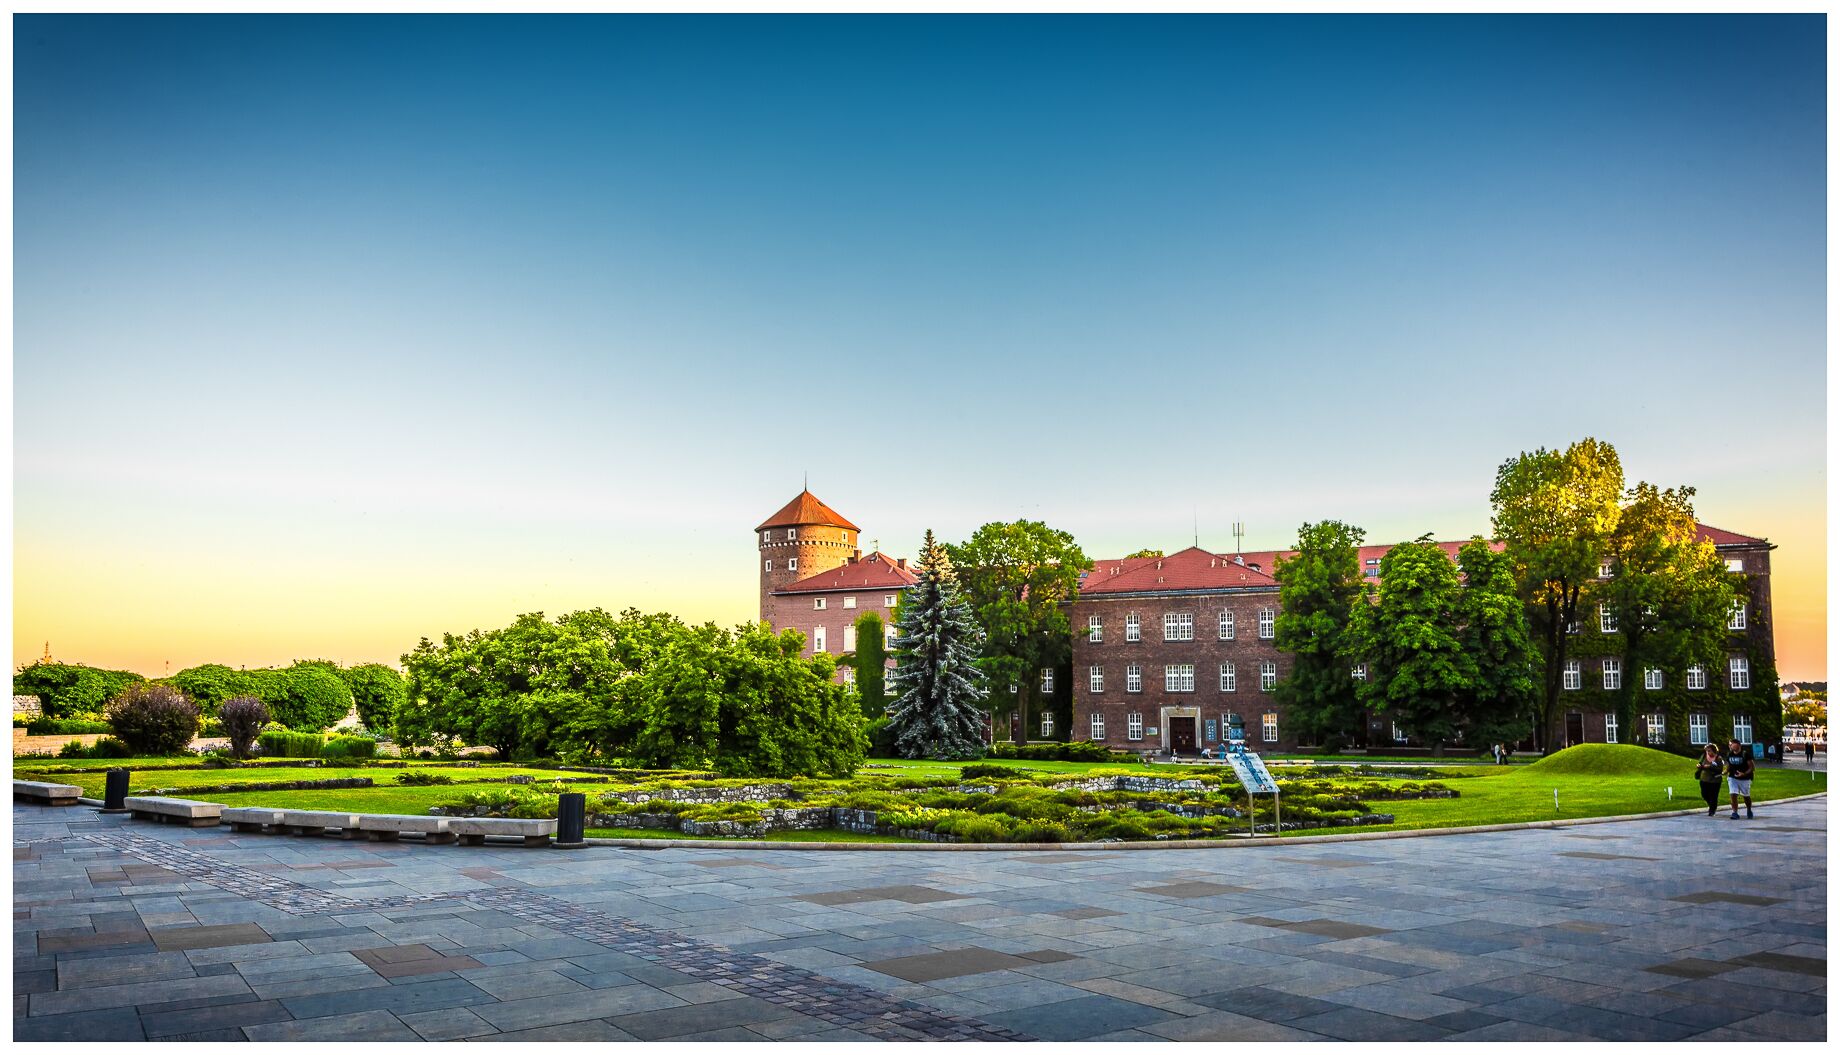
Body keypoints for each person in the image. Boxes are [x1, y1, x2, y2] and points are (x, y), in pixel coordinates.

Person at [1726, 739, 1755, 819]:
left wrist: (1744, 773)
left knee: (1746, 796)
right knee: (1733, 794)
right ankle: (1735, 813)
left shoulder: (1745, 754)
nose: (1730, 746)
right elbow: (1729, 765)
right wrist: (1725, 771)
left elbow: (1752, 767)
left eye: (1731, 744)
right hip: (1732, 777)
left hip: (1745, 778)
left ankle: (1749, 809)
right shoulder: (1729, 754)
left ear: (1738, 745)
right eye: (1729, 744)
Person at [1695, 744, 1725, 817]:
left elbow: (1719, 769)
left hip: (1715, 780)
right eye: (1706, 751)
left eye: (1709, 751)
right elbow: (1700, 763)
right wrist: (1699, 765)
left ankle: (1712, 810)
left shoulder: (1718, 758)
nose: (1708, 752)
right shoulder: (1704, 756)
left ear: (1714, 750)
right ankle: (1711, 804)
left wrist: (1709, 767)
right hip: (1704, 779)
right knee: (1704, 794)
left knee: (1713, 796)